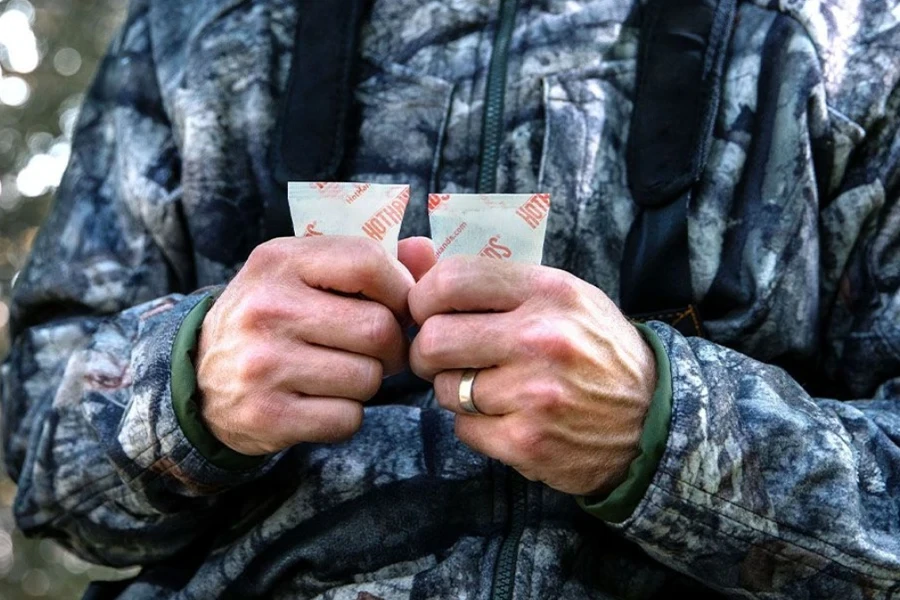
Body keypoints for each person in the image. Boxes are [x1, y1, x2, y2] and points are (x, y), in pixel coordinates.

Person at [2, 0, 899, 597]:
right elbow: (40, 460)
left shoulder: (853, 39)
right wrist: (185, 391)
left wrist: (666, 430)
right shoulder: (197, 24)